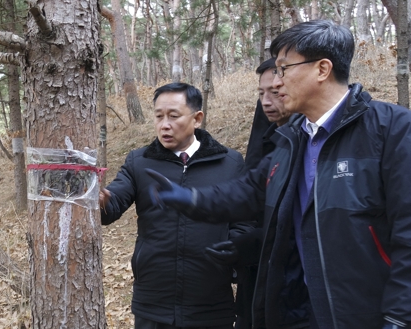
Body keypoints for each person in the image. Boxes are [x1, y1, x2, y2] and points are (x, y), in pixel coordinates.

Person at [147, 20, 411, 329]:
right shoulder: (291, 138)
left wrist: (399, 316)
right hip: (298, 308)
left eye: (284, 69)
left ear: (322, 69)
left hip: (365, 313)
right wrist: (188, 198)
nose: (277, 81)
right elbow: (248, 192)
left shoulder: (392, 129)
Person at [100, 82, 248, 328]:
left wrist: (232, 251)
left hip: (211, 301)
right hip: (153, 301)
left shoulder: (229, 163)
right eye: (158, 116)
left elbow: (244, 221)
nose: (164, 124)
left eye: (173, 116)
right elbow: (112, 204)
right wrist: (101, 201)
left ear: (197, 118)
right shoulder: (139, 161)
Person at [206, 57, 291, 329]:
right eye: (261, 93)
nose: (267, 101)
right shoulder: (266, 137)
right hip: (256, 281)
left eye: (275, 92)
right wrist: (241, 243)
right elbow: (252, 203)